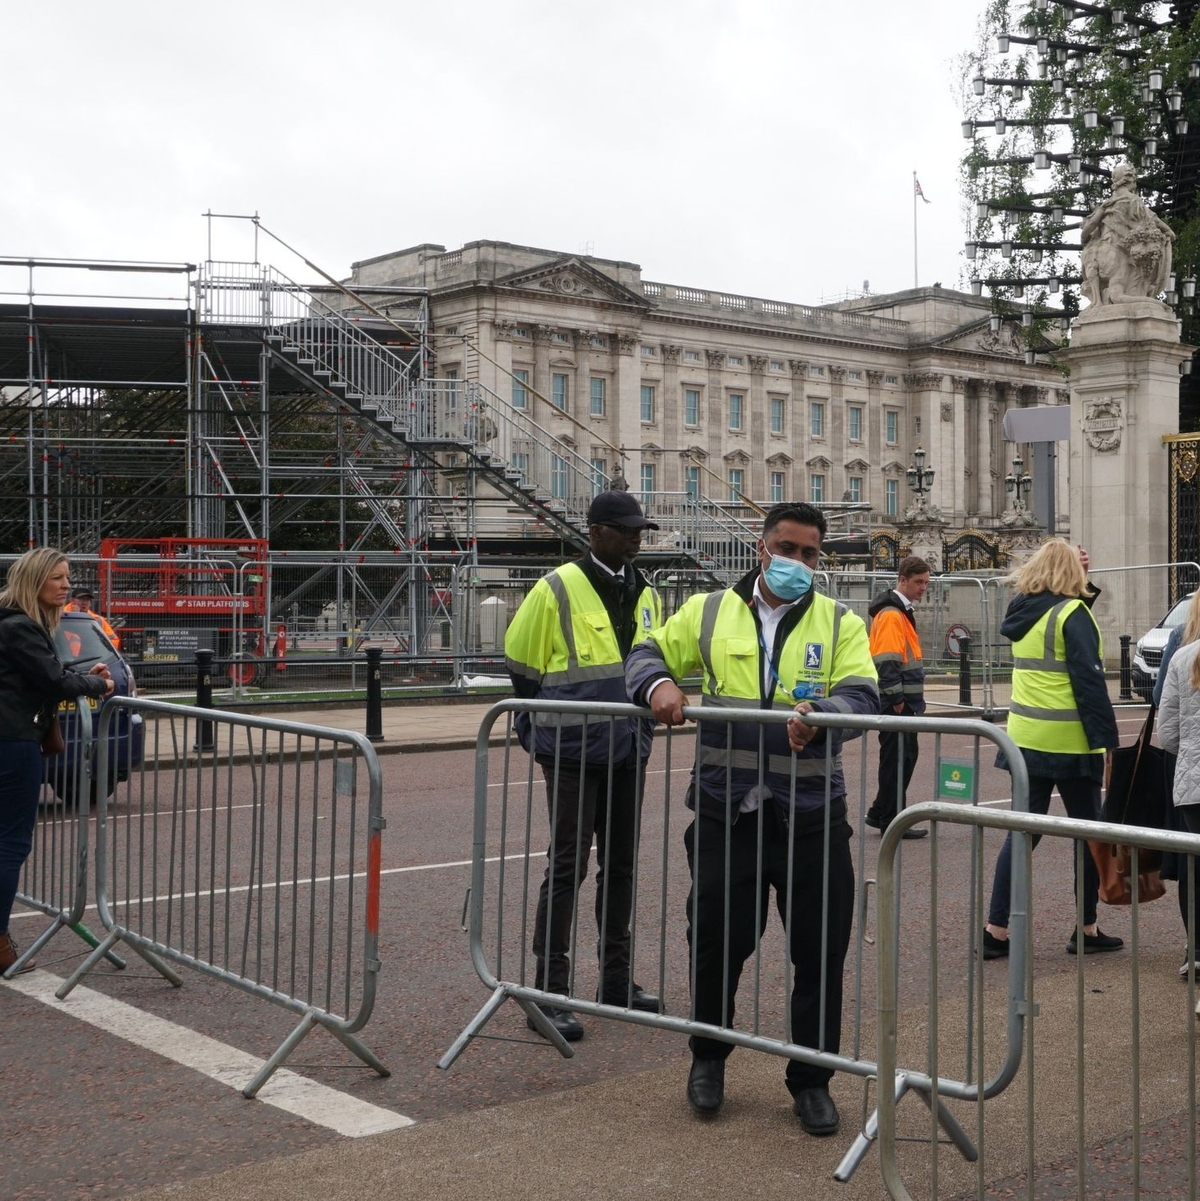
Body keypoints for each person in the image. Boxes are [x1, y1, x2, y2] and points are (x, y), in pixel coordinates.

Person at [625, 502, 879, 1135]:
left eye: (811, 554)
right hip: (725, 812)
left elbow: (863, 693)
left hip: (813, 816)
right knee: (715, 943)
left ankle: (811, 1079)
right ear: (762, 550)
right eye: (787, 550)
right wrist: (657, 686)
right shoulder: (709, 611)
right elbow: (646, 651)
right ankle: (708, 1060)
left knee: (820, 952)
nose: (798, 563)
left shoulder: (840, 620)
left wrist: (823, 712)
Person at [505, 490, 664, 1042]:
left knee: (620, 865)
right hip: (572, 750)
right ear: (595, 531)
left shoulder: (646, 593)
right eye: (626, 530)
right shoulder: (557, 588)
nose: (636, 539)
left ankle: (615, 983)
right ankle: (549, 991)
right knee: (567, 866)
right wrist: (538, 726)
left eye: (640, 530)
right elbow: (521, 663)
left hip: (627, 747)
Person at [982, 540, 1123, 960]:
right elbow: (1089, 683)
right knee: (1089, 835)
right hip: (1070, 742)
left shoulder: (1023, 611)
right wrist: (1108, 742)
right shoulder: (1071, 614)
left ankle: (996, 930)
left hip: (1025, 737)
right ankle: (1086, 927)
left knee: (1023, 833)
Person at [0, 548, 113, 974]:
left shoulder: (8, 622)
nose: (67, 586)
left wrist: (78, 677)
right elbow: (52, 680)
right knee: (11, 843)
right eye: (57, 579)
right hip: (11, 742)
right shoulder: (20, 627)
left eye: (67, 578)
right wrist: (95, 684)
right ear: (34, 581)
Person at [865, 556, 931, 840]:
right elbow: (887, 661)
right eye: (918, 582)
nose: (923, 588)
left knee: (899, 757)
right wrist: (898, 700)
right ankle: (891, 821)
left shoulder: (897, 611)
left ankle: (880, 812)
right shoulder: (892, 614)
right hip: (898, 703)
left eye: (926, 583)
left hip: (902, 702)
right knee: (899, 760)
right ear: (902, 580)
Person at [1155, 598, 1200, 985]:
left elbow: (1167, 733)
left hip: (1193, 783)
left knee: (1195, 867)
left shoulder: (1183, 657)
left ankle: (1196, 951)